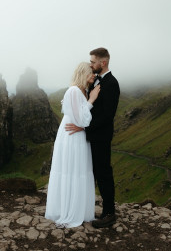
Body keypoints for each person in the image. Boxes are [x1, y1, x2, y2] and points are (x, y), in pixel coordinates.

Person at [66, 47, 120, 228]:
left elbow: (106, 116)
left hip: (101, 137)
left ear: (102, 63)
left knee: (103, 172)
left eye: (92, 61)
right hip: (91, 136)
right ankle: (102, 210)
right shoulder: (96, 80)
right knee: (94, 172)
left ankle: (109, 213)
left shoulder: (112, 84)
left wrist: (83, 128)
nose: (90, 64)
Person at [44, 62, 101, 228]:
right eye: (91, 73)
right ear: (83, 73)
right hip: (72, 135)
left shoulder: (82, 90)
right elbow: (82, 119)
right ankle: (69, 210)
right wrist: (91, 100)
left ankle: (79, 210)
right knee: (73, 170)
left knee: (79, 170)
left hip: (77, 133)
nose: (94, 76)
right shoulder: (74, 90)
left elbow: (81, 119)